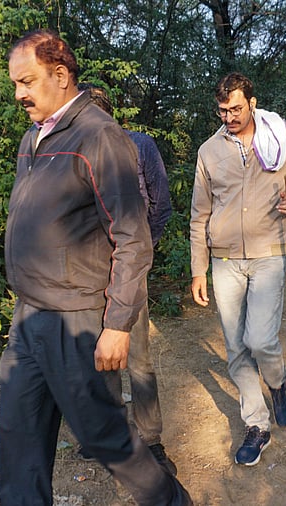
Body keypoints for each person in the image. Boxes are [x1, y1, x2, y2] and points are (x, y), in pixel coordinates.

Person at [0, 30, 193, 506]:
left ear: (60, 76)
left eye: (27, 81)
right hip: (29, 316)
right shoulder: (33, 138)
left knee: (106, 434)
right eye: (15, 84)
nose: (19, 93)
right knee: (18, 435)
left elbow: (133, 235)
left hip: (76, 316)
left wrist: (118, 324)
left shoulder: (99, 136)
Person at [189, 72, 286, 466]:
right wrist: (198, 269)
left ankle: (278, 383)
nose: (229, 117)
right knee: (236, 348)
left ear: (253, 103)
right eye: (223, 110)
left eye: (236, 109)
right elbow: (198, 215)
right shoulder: (208, 151)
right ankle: (257, 425)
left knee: (260, 339)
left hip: (269, 253)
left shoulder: (280, 138)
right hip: (224, 259)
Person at [77, 83, 177, 474]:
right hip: (85, 275)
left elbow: (161, 206)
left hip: (127, 271)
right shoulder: (72, 152)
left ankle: (150, 440)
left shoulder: (140, 146)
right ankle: (109, 433)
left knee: (138, 358)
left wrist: (137, 259)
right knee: (99, 359)